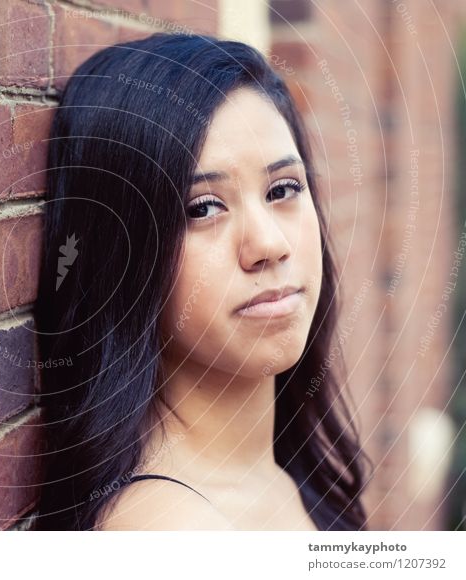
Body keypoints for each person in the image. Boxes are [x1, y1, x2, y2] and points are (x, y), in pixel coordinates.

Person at [33, 32, 373, 531]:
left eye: (283, 189)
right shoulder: (168, 530)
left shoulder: (286, 474)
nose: (268, 244)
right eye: (203, 207)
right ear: (120, 255)